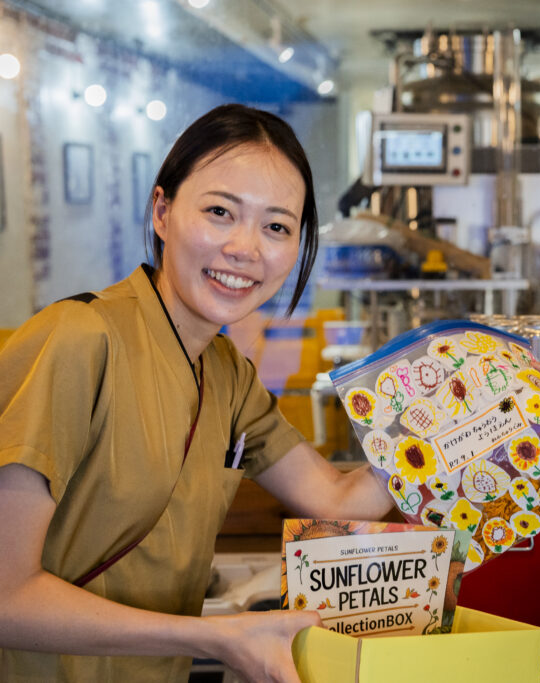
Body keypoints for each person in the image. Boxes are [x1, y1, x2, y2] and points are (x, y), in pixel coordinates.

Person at [0, 104, 402, 682]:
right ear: (162, 211)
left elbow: (339, 501)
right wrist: (215, 635)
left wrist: (472, 419)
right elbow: (7, 598)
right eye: (220, 212)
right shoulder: (78, 339)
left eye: (277, 227)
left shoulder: (227, 372)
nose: (246, 248)